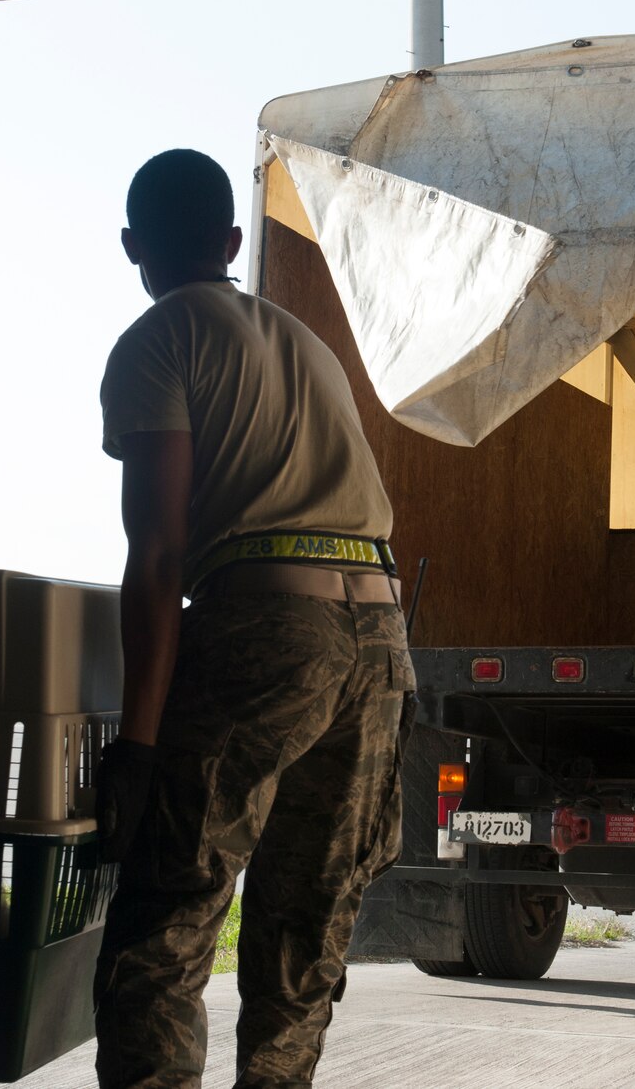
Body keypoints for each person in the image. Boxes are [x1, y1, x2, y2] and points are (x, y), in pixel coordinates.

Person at [91, 148, 413, 1089]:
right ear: (233, 241)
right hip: (382, 641)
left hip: (268, 630)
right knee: (302, 933)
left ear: (131, 246)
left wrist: (140, 752)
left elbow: (156, 558)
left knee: (166, 929)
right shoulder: (305, 343)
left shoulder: (160, 340)